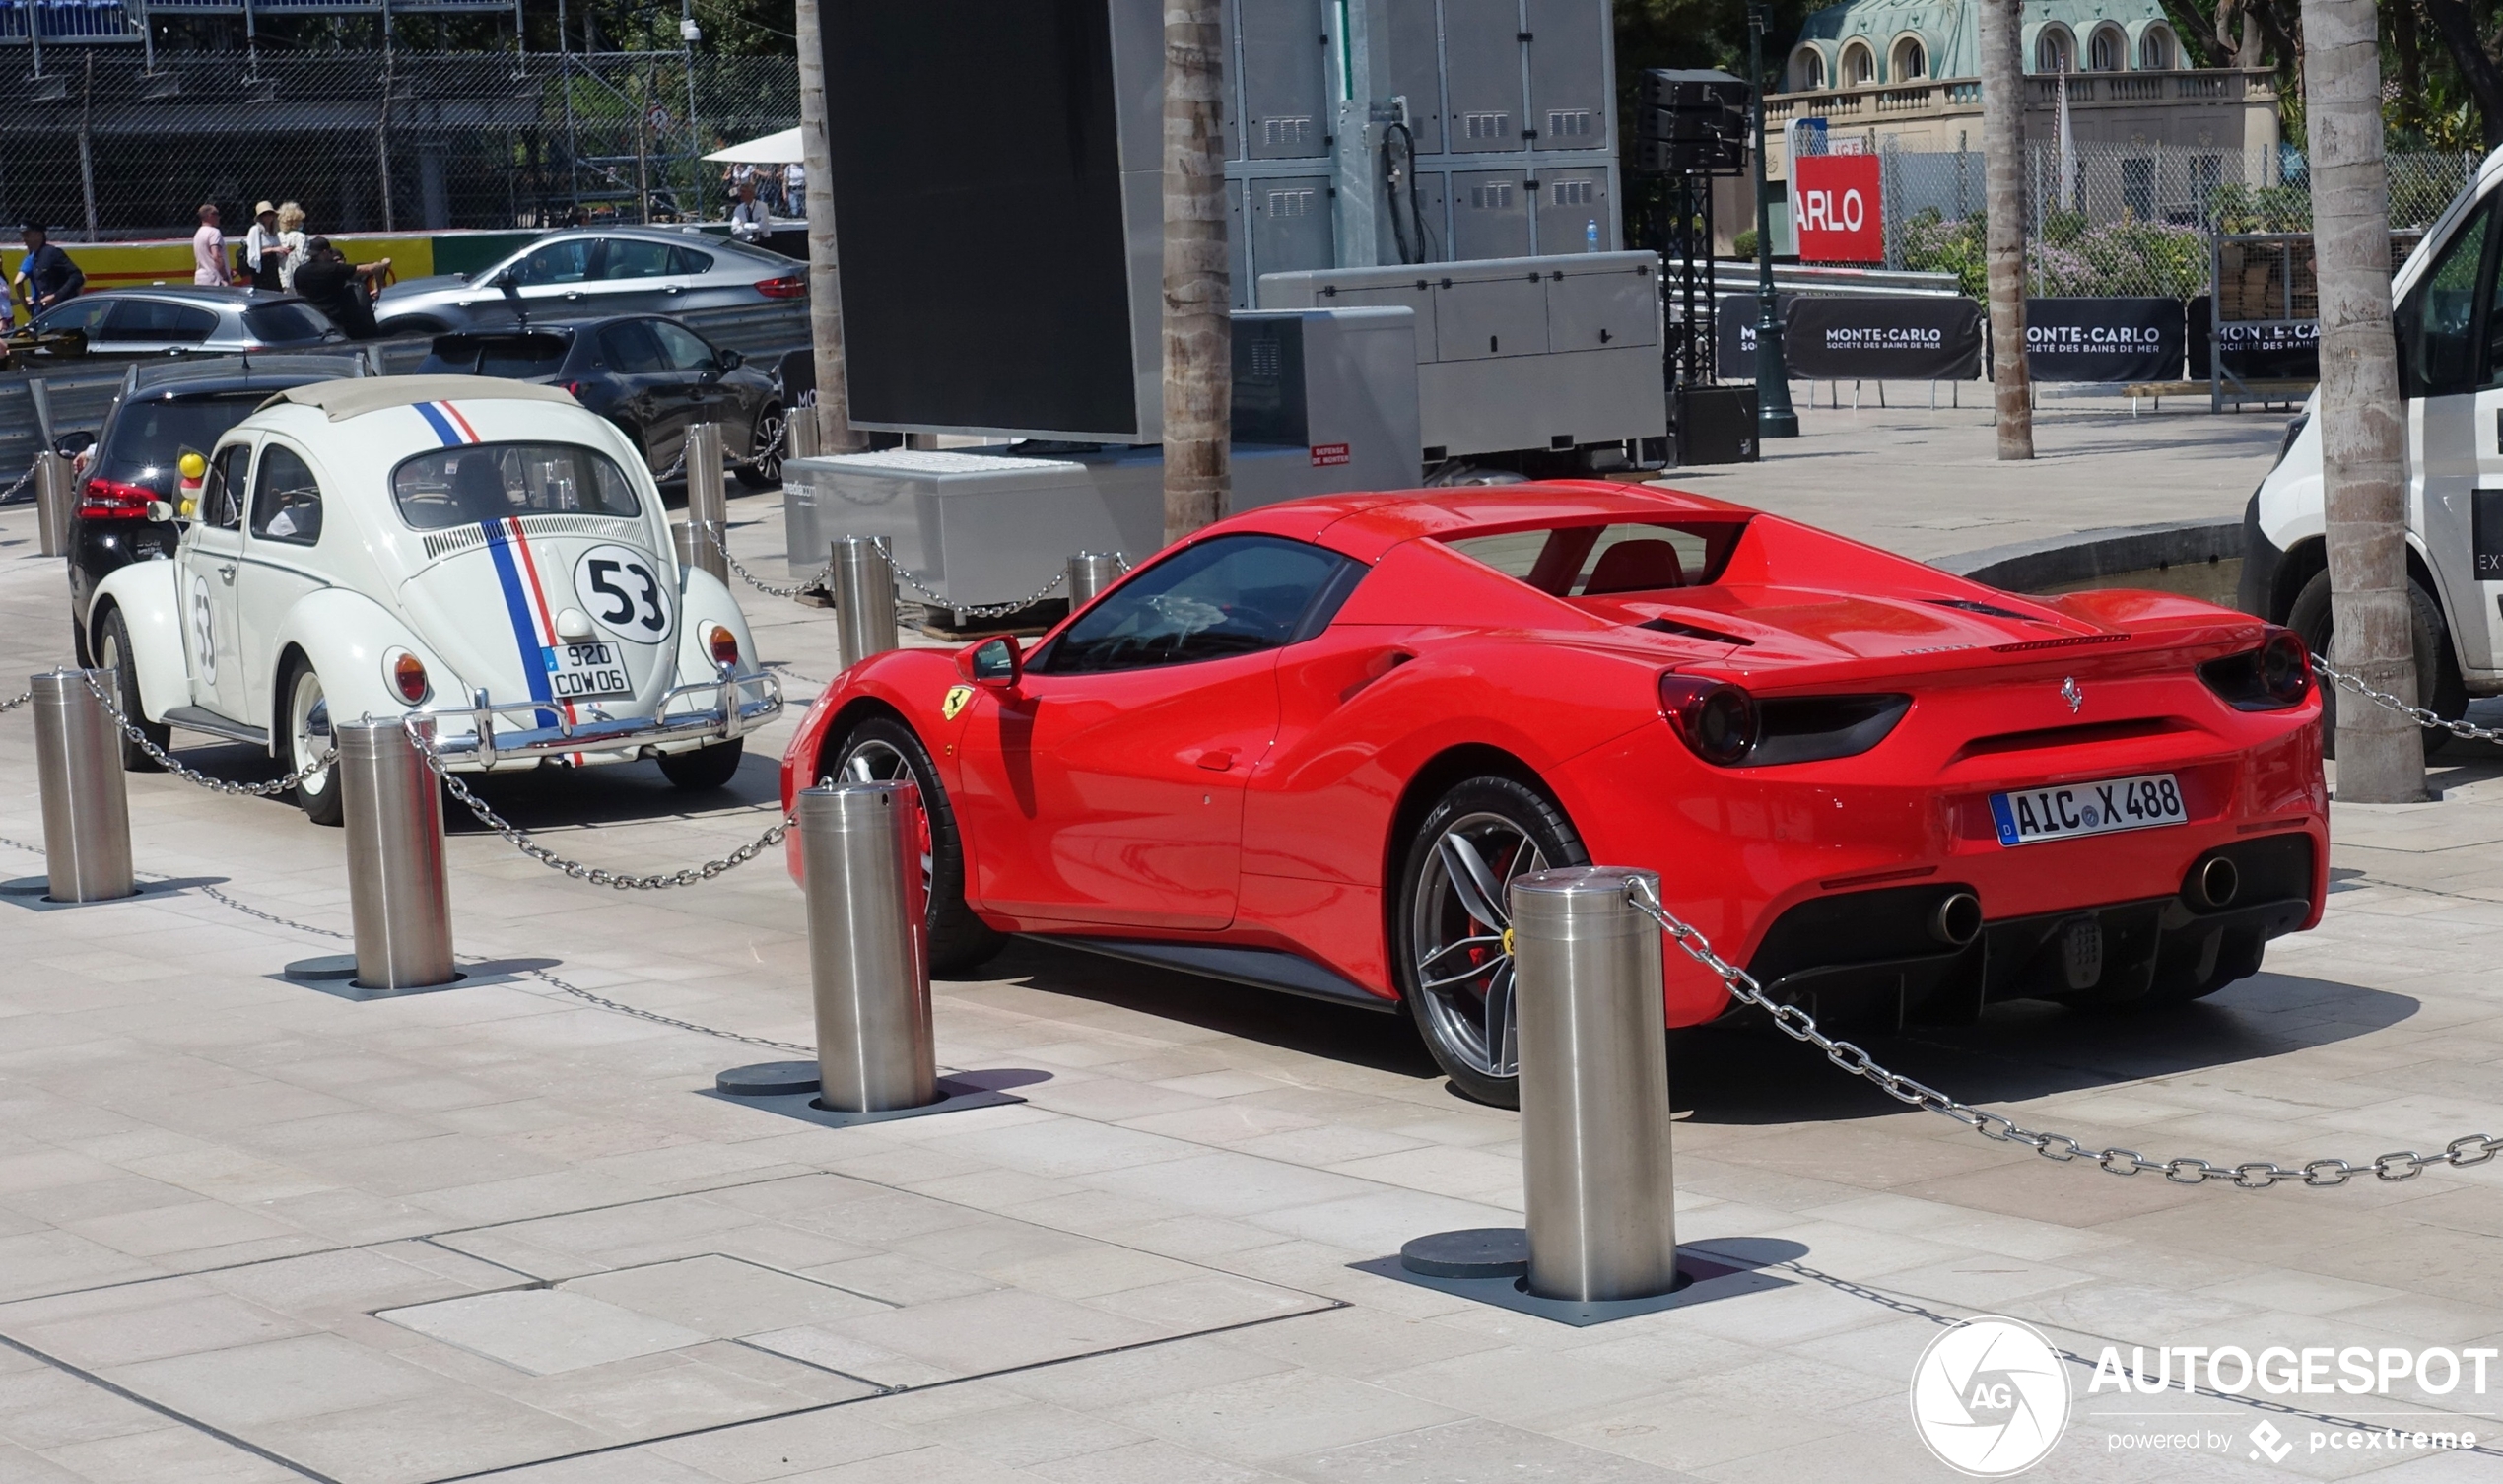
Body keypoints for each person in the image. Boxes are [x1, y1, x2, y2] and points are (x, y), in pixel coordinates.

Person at [292, 237, 390, 340]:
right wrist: (384, 266)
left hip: (313, 320)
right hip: (336, 322)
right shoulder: (333, 269)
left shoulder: (299, 271)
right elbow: (372, 268)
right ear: (325, 252)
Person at [12, 224, 85, 324]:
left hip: (61, 312)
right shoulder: (34, 258)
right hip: (44, 313)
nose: (24, 239)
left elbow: (77, 276)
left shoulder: (52, 253)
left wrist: (56, 296)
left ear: (38, 234)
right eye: (22, 235)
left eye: (27, 235)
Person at [243, 201, 284, 293]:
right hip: (261, 267)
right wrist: (272, 250)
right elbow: (253, 254)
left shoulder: (273, 231)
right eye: (265, 214)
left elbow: (277, 247)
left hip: (273, 266)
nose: (268, 216)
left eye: (271, 213)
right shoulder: (255, 230)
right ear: (260, 217)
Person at [274, 202, 309, 292]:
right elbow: (303, 259)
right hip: (298, 277)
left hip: (281, 276)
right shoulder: (301, 237)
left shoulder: (277, 236)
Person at [191, 203, 228, 287]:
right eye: (216, 214)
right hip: (215, 279)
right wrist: (225, 276)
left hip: (201, 278)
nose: (219, 217)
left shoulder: (198, 233)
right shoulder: (214, 232)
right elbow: (216, 256)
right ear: (210, 215)